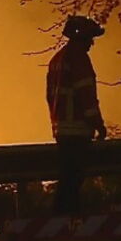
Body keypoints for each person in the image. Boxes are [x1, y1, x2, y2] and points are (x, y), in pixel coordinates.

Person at [47, 15, 107, 217]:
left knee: (67, 178)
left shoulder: (56, 59)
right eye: (90, 38)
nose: (92, 43)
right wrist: (98, 124)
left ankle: (61, 219)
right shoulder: (78, 58)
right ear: (80, 37)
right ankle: (66, 220)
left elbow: (50, 96)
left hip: (61, 129)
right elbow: (86, 95)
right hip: (78, 129)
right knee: (73, 179)